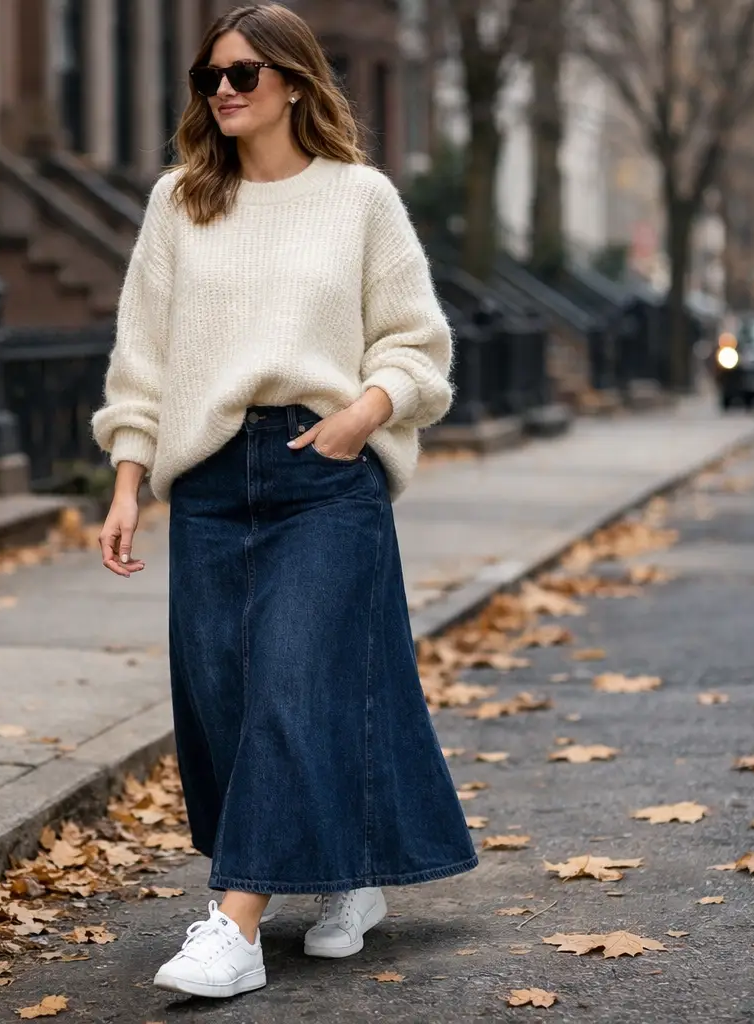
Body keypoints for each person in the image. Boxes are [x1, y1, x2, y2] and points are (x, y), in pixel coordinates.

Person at [90, 2, 476, 1000]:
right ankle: (341, 870)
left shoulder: (361, 199)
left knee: (290, 689)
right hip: (213, 481)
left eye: (244, 75)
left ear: (294, 85)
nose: (223, 90)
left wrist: (365, 414)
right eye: (210, 76)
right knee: (222, 704)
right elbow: (144, 357)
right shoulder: (181, 202)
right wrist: (129, 479)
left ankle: (237, 925)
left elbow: (415, 343)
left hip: (324, 475)